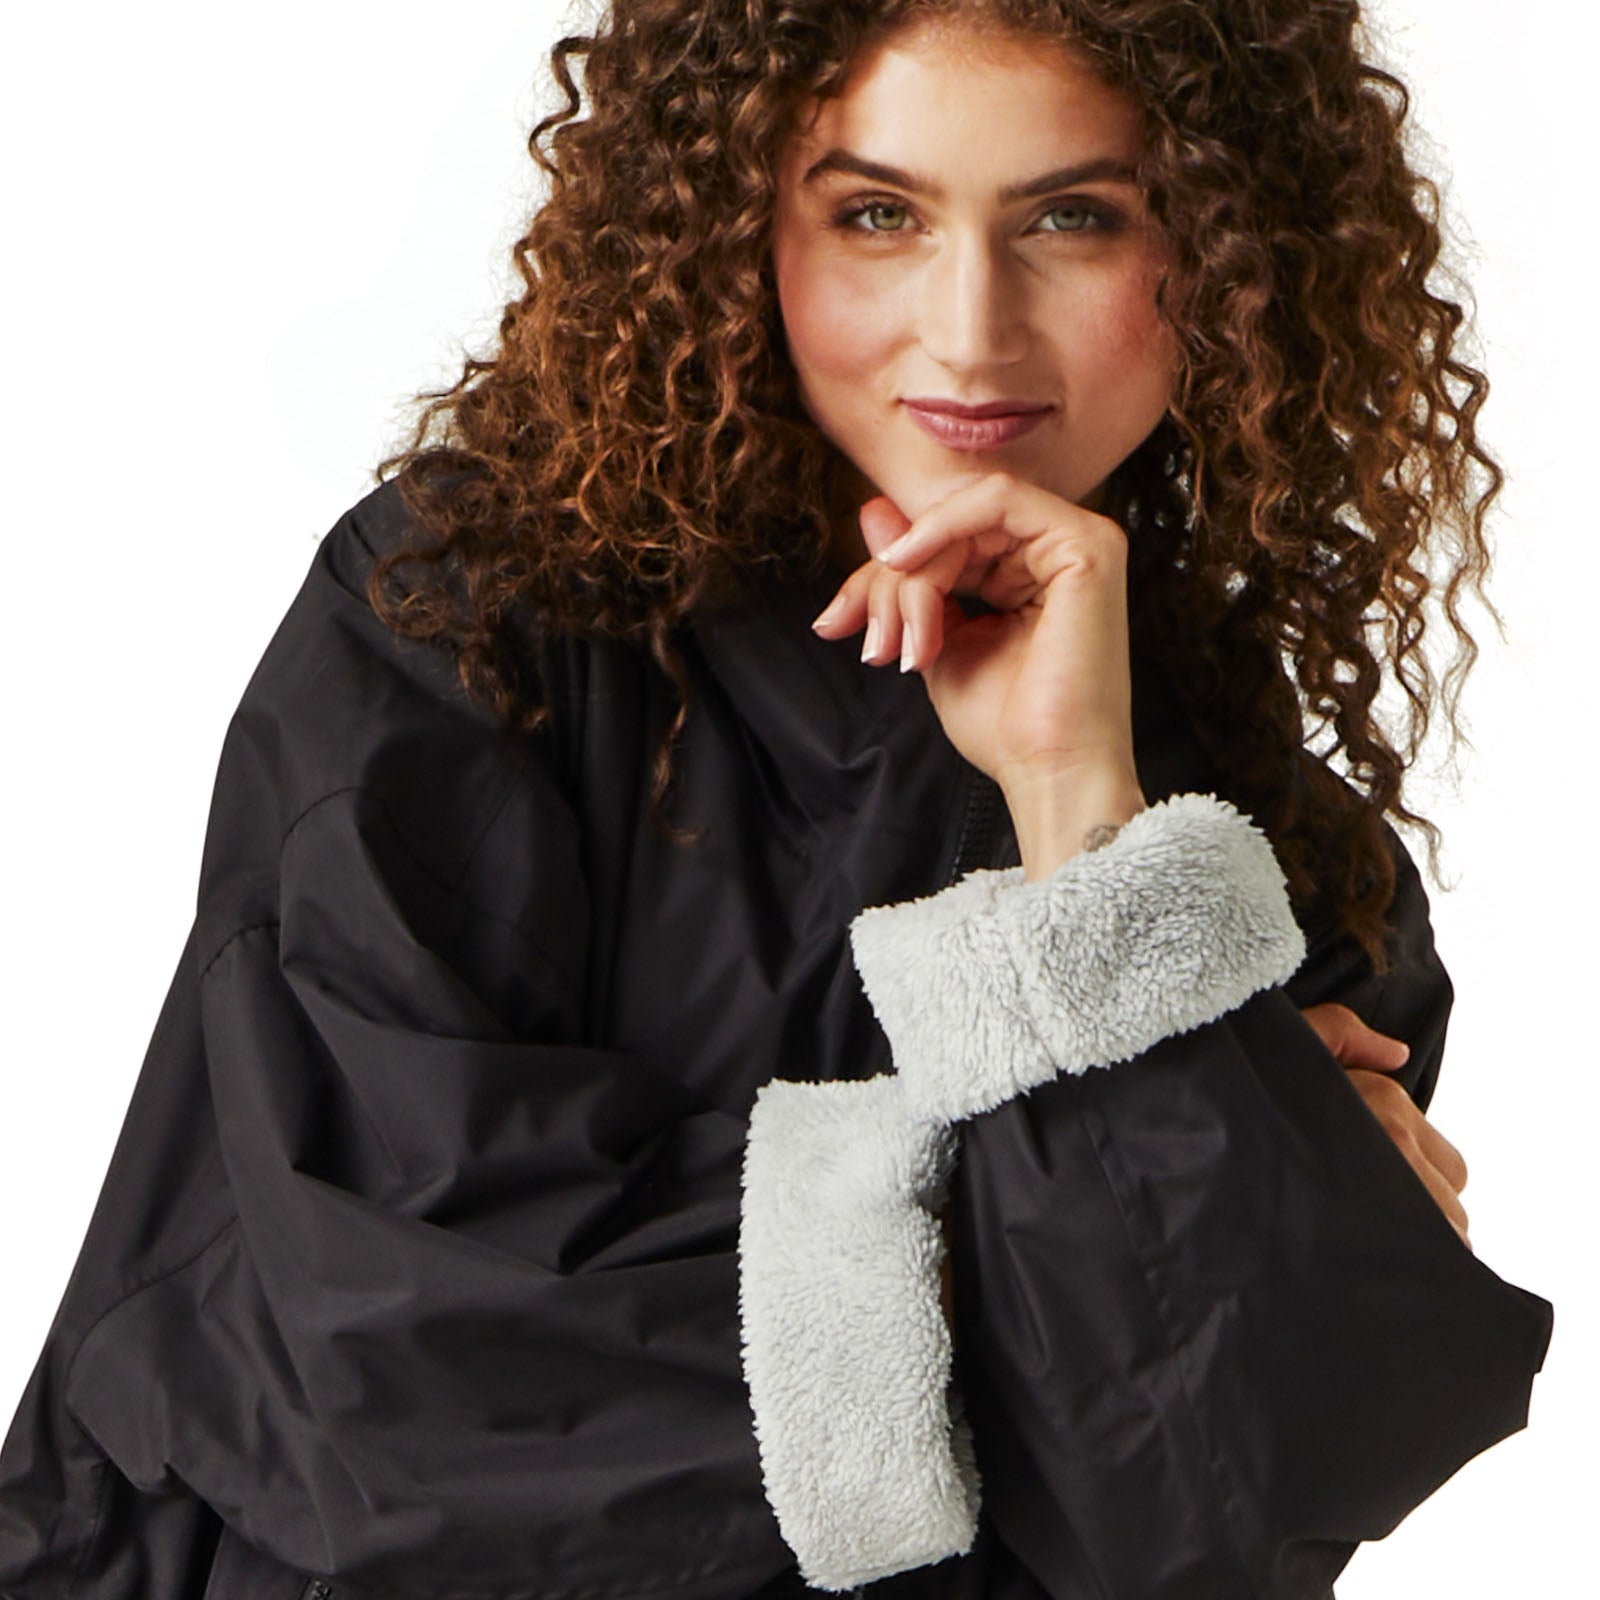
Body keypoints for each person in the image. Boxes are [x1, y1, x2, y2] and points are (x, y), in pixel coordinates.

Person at [0, 2, 1554, 1598]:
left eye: (1076, 218)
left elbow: (1229, 1492)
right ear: (739, 224)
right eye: (878, 214)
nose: (972, 331)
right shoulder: (470, 619)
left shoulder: (1258, 830)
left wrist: (1077, 805)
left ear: (1228, 255)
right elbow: (413, 1341)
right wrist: (1159, 1201)